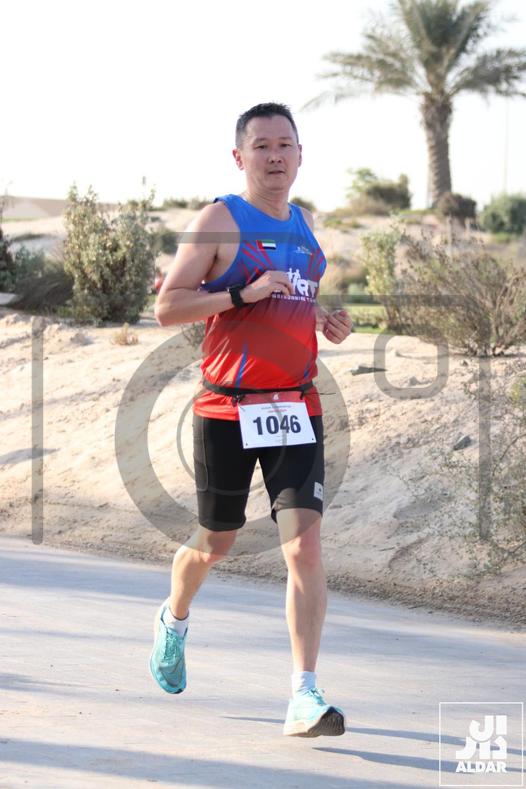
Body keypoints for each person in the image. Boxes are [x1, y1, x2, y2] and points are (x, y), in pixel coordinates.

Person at [151, 102, 352, 737]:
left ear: (300, 155)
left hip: (295, 405)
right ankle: (174, 618)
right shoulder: (219, 219)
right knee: (216, 541)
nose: (274, 156)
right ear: (240, 157)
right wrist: (241, 293)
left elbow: (296, 297)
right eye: (261, 146)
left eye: (284, 144)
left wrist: (325, 319)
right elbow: (168, 307)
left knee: (304, 545)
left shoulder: (304, 223)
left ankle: (304, 693)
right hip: (227, 406)